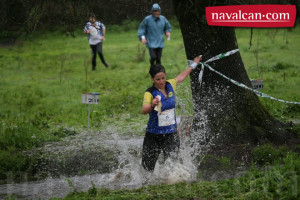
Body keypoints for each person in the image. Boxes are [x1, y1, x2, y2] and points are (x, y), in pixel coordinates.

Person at [141, 55, 202, 172]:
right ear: (152, 79)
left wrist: (194, 64)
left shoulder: (170, 85)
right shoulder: (150, 92)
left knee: (172, 165)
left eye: (163, 78)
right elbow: (144, 110)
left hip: (171, 134)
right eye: (158, 79)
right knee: (147, 170)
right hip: (153, 135)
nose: (161, 81)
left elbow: (181, 77)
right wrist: (152, 105)